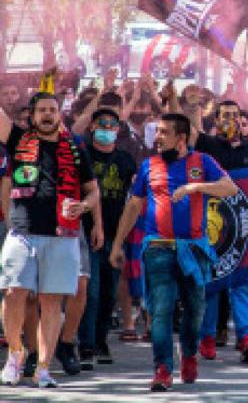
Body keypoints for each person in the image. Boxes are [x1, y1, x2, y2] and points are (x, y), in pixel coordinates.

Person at [110, 113, 237, 391]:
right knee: (161, 310)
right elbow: (133, 206)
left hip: (193, 250)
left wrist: (197, 187)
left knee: (194, 310)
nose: (157, 137)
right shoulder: (148, 166)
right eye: (157, 131)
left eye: (164, 132)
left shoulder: (203, 162)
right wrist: (118, 243)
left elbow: (229, 187)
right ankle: (163, 368)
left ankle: (189, 353)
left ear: (181, 139)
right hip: (157, 248)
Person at [0, 92, 102, 388]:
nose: (47, 115)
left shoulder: (76, 148)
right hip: (22, 231)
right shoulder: (18, 138)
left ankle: (43, 367)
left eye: (53, 110)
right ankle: (15, 354)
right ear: (32, 115)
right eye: (42, 110)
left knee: (51, 300)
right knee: (13, 293)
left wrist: (85, 206)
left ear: (60, 114)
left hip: (63, 234)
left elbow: (92, 190)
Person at [189, 100, 248, 363]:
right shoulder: (208, 148)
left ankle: (246, 336)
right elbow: (188, 129)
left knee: (240, 282)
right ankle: (207, 336)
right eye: (225, 115)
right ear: (216, 119)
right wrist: (186, 103)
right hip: (212, 226)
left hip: (242, 228)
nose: (230, 120)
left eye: (235, 115)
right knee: (212, 281)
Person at [76, 108, 137, 368]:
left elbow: (135, 195)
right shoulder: (82, 154)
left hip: (116, 233)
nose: (108, 128)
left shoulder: (125, 159)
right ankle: (86, 345)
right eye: (102, 123)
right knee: (90, 291)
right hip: (84, 231)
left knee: (109, 293)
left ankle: (101, 341)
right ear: (92, 126)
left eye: (113, 124)